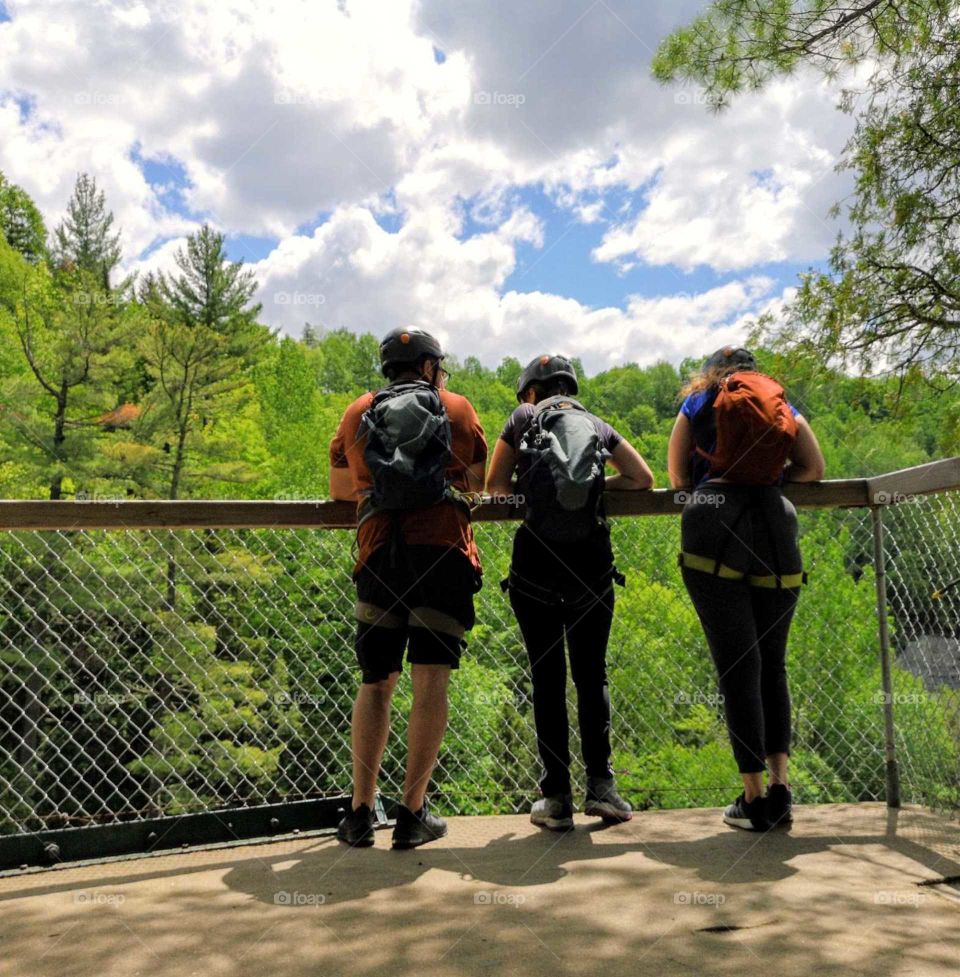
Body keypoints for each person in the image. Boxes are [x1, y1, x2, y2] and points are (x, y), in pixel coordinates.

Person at [329, 327, 487, 849]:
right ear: (427, 366)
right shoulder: (457, 408)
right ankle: (413, 813)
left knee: (376, 681)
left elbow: (339, 489)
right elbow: (478, 482)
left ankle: (359, 813)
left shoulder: (358, 412)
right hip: (442, 554)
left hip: (379, 554)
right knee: (430, 682)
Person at [486, 354, 654, 830]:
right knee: (592, 676)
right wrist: (595, 490)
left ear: (531, 392)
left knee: (547, 679)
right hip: (591, 570)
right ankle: (602, 787)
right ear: (568, 388)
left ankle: (556, 797)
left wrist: (536, 494)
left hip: (536, 570)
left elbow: (494, 487)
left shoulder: (523, 417)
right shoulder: (594, 423)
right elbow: (643, 479)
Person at [667, 346, 825, 831]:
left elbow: (676, 476)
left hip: (712, 524)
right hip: (776, 524)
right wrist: (773, 481)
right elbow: (813, 468)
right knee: (772, 665)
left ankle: (753, 800)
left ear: (711, 372)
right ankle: (780, 790)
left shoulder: (698, 402)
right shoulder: (781, 404)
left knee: (738, 666)